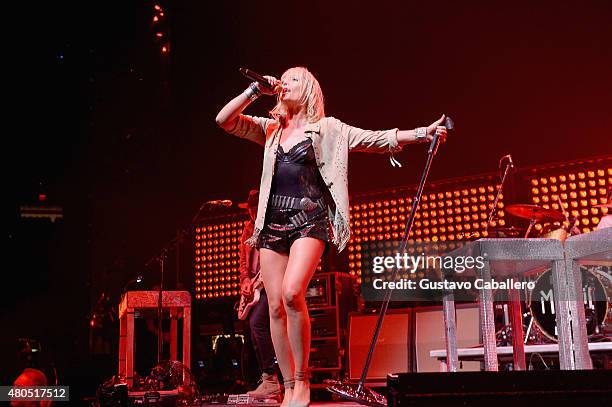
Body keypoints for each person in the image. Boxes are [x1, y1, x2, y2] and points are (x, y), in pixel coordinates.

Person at [216, 66, 448, 407]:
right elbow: (224, 120)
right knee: (276, 306)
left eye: (293, 78)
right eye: (283, 78)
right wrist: (255, 90)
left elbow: (376, 138)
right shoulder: (270, 130)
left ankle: (303, 380)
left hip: (310, 219)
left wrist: (421, 133)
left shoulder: (329, 129)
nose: (285, 83)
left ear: (309, 89)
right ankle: (288, 385)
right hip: (272, 223)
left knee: (294, 292)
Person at [238, 189, 281, 398]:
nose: (252, 213)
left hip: (272, 280)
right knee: (256, 331)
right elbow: (243, 263)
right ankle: (269, 379)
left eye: (256, 208)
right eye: (250, 209)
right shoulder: (247, 230)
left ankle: (272, 378)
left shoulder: (272, 224)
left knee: (258, 324)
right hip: (257, 284)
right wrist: (245, 281)